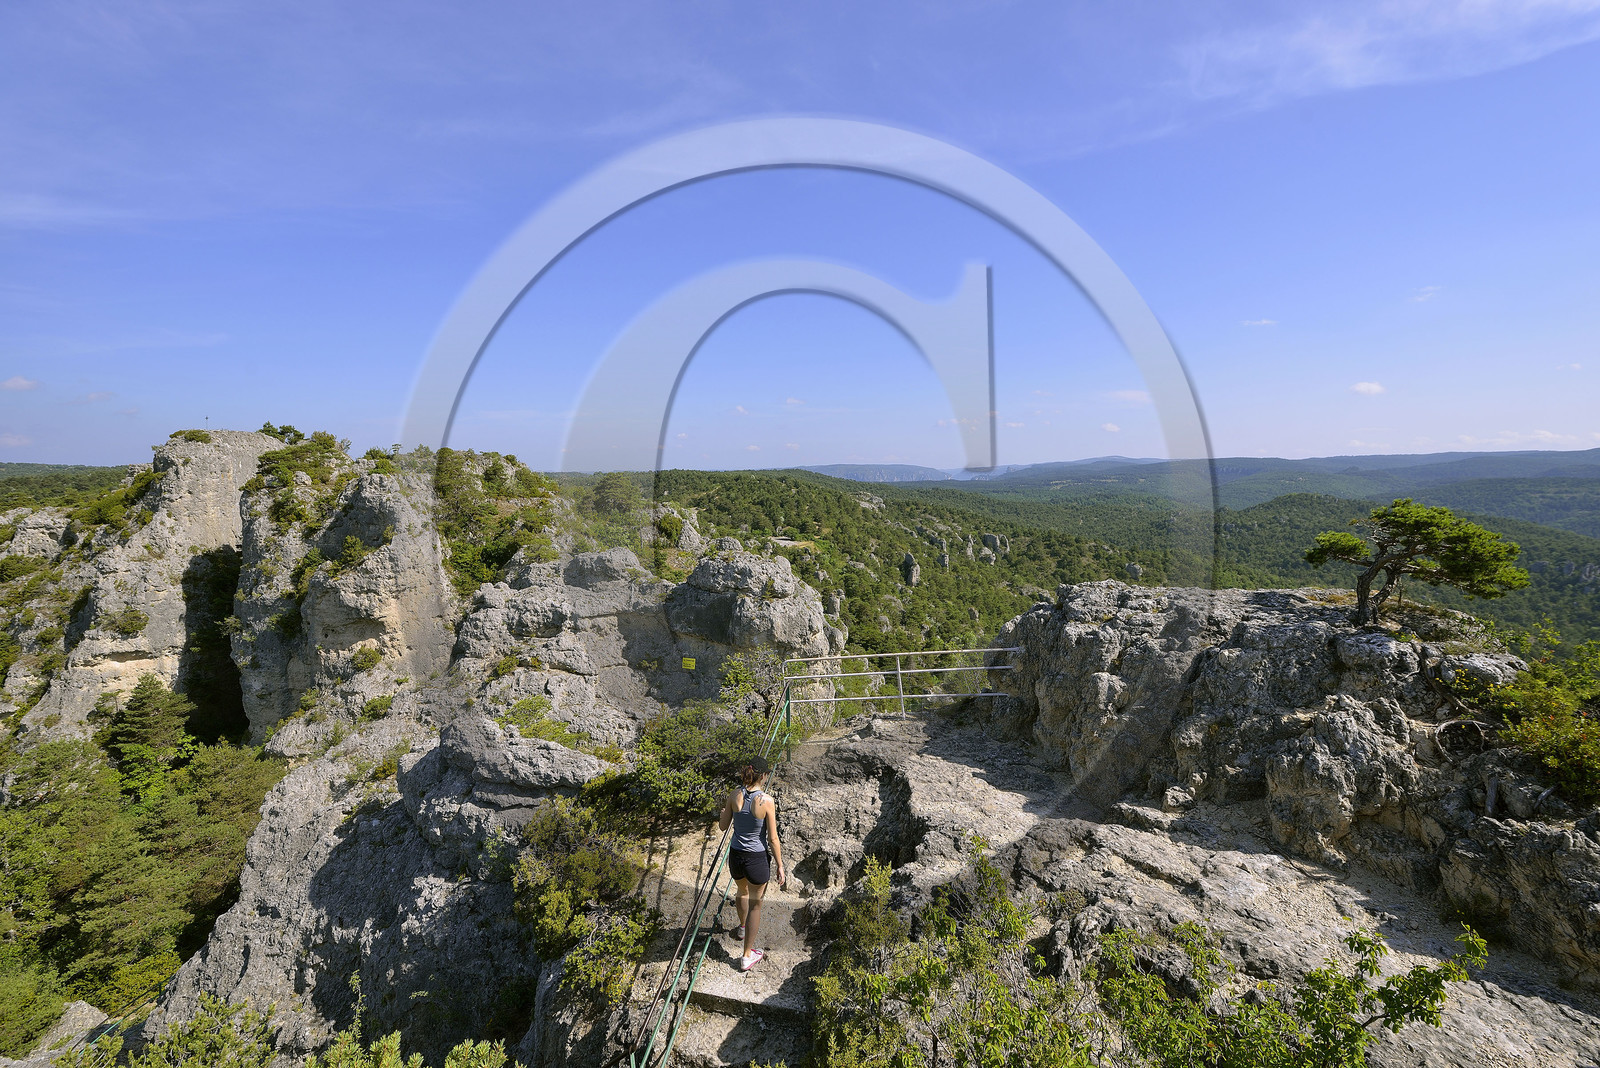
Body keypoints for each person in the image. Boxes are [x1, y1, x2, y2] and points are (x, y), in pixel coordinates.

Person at [717, 754, 784, 971]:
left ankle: (742, 927)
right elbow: (773, 838)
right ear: (763, 776)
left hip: (736, 855)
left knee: (741, 892)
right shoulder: (766, 801)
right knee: (756, 903)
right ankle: (747, 956)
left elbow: (722, 826)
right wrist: (780, 866)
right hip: (756, 859)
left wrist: (722, 815)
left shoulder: (734, 794)